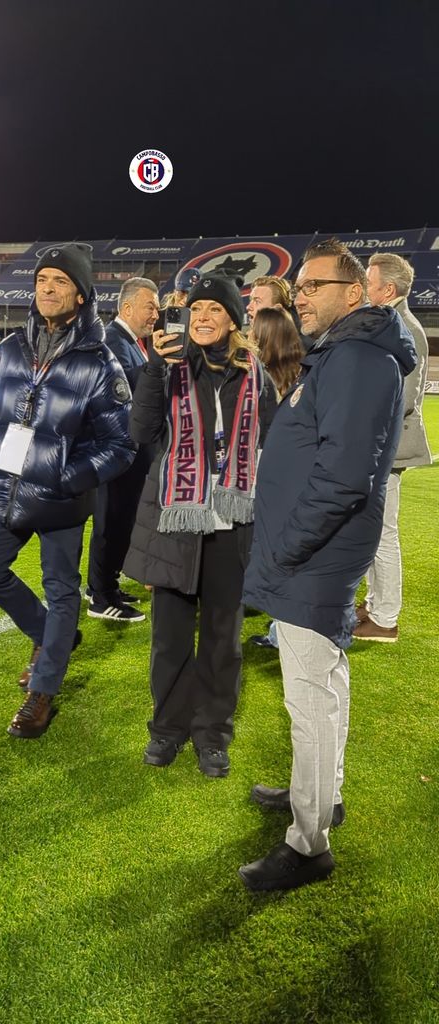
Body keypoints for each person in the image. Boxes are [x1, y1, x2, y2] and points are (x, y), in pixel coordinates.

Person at [239, 238, 416, 891]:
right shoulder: (345, 355)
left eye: (314, 286)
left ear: (355, 294)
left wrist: (285, 549)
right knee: (325, 684)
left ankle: (308, 844)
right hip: (316, 549)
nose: (301, 296)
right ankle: (320, 795)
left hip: (314, 553)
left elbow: (343, 479)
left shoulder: (358, 359)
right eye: (300, 287)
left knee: (309, 694)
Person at [0, 243, 136, 740]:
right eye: (42, 279)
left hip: (60, 502)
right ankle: (49, 638)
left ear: (81, 295)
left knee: (62, 591)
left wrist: (65, 477)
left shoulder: (100, 363)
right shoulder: (12, 348)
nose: (48, 288)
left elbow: (120, 445)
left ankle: (41, 692)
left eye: (60, 281)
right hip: (3, 491)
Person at [123, 273, 277, 777]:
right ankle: (166, 728)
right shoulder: (168, 368)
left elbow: (273, 444)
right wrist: (153, 369)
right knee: (169, 636)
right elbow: (140, 432)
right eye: (196, 310)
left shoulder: (257, 374)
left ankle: (212, 733)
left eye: (214, 310)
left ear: (233, 319)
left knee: (221, 638)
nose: (202, 318)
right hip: (174, 519)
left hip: (233, 521)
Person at [353, 253, 432, 642]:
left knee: (382, 534)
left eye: (368, 281)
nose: (363, 288)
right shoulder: (390, 321)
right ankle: (375, 603)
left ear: (387, 289)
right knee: (372, 530)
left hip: (389, 447)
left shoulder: (406, 327)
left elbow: (404, 399)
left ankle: (385, 619)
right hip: (379, 445)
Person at [86, 277, 159, 622]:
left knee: (119, 518)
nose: (156, 314)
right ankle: (102, 596)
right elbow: (125, 388)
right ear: (127, 307)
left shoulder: (130, 341)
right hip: (117, 449)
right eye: (151, 306)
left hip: (128, 449)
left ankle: (103, 584)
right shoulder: (112, 339)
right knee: (110, 519)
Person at [246, 307, 305, 649]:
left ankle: (281, 633)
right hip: (291, 479)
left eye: (254, 333)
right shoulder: (301, 372)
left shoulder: (261, 378)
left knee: (274, 556)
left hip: (266, 476)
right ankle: (280, 630)